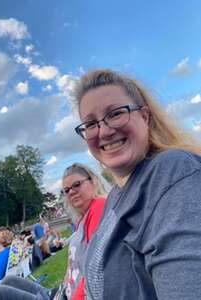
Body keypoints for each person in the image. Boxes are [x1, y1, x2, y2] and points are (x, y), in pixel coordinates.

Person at [72, 69, 201, 300]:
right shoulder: (115, 195)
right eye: (90, 124)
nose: (104, 131)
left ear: (144, 116)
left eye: (116, 113)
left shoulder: (173, 173)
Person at [0, 163, 106, 300]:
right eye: (66, 190)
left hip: (71, 297)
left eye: (77, 184)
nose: (71, 191)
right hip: (62, 292)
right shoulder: (83, 219)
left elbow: (95, 268)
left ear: (93, 181)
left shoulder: (98, 207)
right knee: (9, 280)